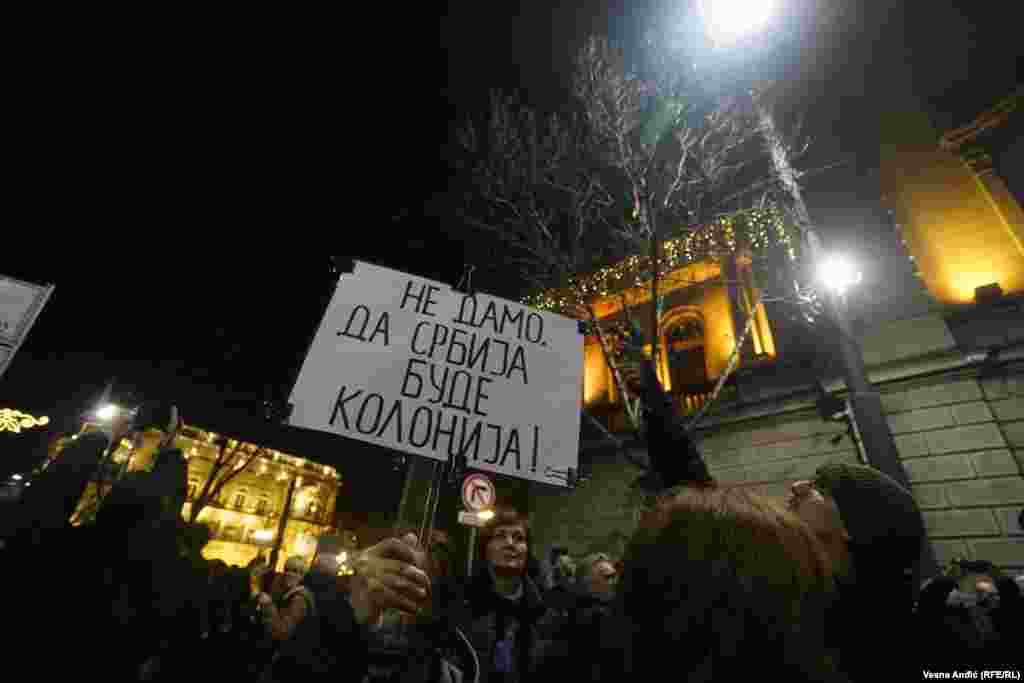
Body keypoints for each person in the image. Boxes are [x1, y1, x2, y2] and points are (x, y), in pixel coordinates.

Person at [458, 507, 553, 683]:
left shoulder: (545, 614)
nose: (510, 543)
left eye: (519, 538)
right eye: (500, 536)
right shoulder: (460, 606)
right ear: (485, 548)